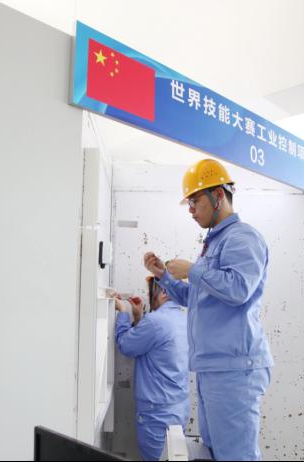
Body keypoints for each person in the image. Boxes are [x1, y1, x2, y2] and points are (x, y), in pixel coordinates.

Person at [144, 158, 273, 461]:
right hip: (213, 369)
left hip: (233, 370)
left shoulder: (243, 237)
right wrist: (164, 276)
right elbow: (197, 298)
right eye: (189, 203)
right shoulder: (214, 244)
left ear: (218, 195)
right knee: (216, 453)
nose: (191, 209)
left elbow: (239, 289)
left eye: (195, 201)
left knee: (235, 456)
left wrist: (192, 270)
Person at [114, 277, 189, 461]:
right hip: (178, 409)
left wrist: (123, 312)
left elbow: (125, 345)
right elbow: (154, 346)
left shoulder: (156, 321)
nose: (149, 297)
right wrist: (138, 317)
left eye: (150, 292)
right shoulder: (184, 319)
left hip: (157, 416)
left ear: (163, 292)